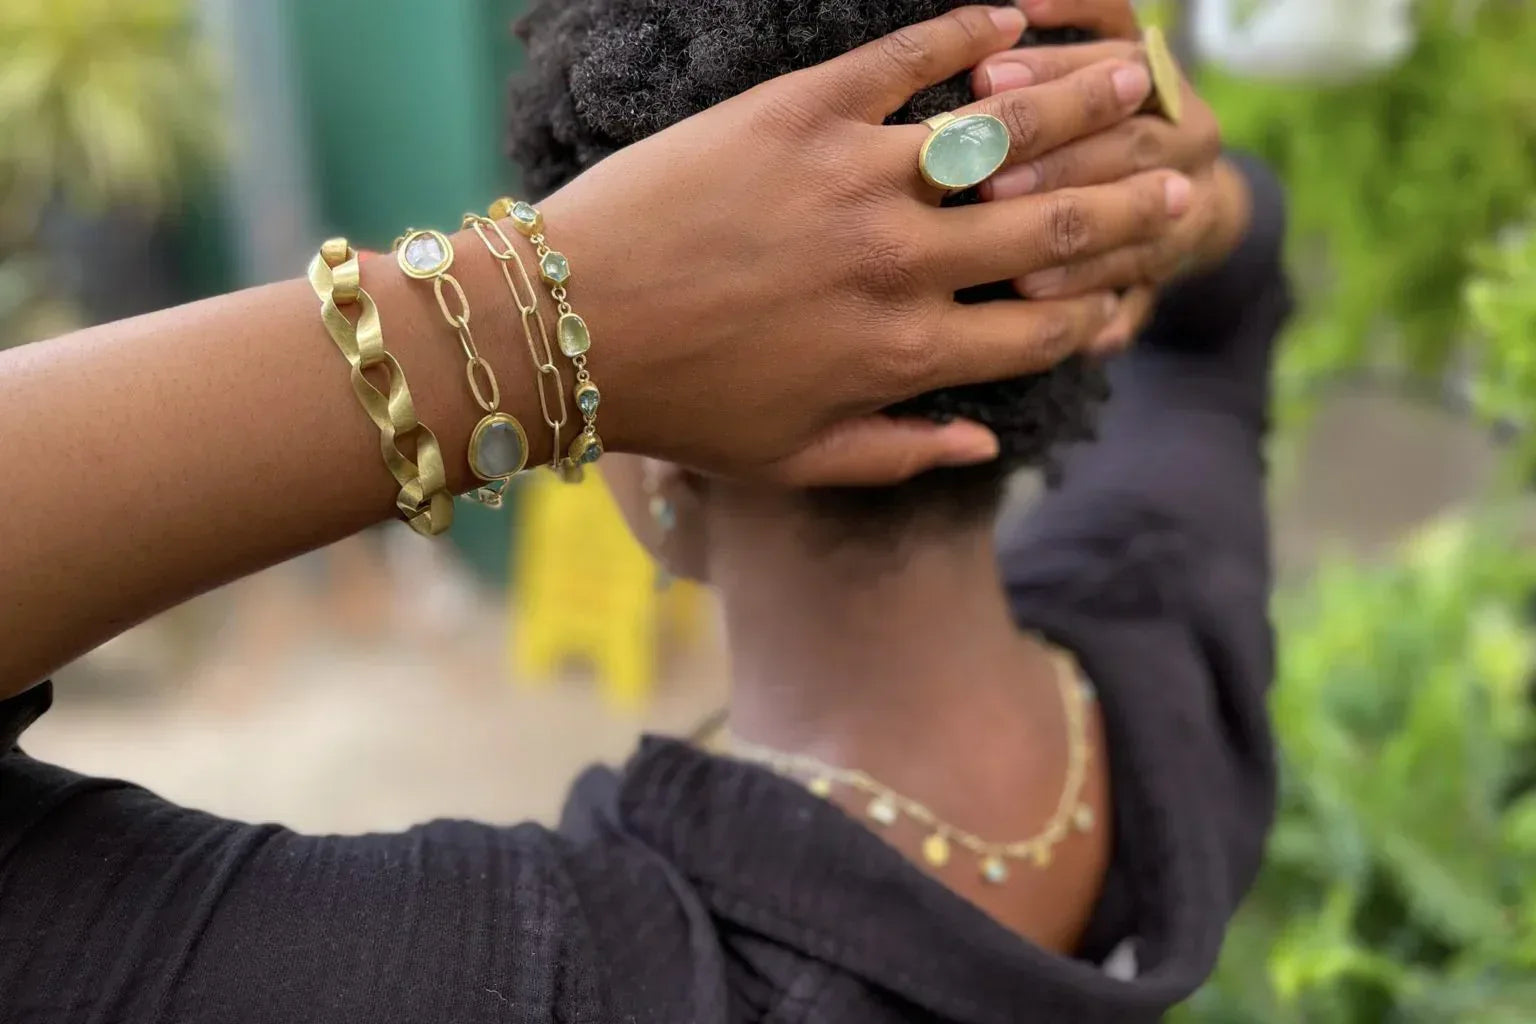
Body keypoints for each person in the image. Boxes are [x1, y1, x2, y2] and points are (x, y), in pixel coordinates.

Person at [0, 1, 1286, 1021]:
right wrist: (1187, 190)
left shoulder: (546, 979)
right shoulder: (1177, 663)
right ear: (1083, 302)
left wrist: (541, 316)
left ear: (658, 464)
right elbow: (1227, 312)